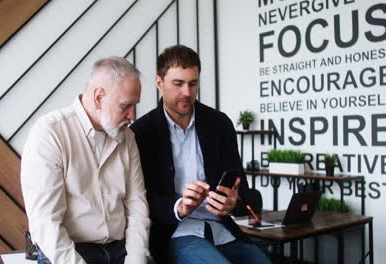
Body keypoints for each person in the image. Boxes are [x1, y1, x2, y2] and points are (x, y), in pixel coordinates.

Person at [130, 45, 270, 264]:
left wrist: (234, 202)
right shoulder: (141, 132)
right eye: (178, 84)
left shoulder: (220, 124)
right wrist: (179, 207)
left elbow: (239, 185)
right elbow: (138, 200)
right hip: (175, 232)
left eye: (193, 83)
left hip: (221, 227)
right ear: (159, 83)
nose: (187, 92)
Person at [21, 57, 150, 264]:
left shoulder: (127, 138)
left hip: (121, 250)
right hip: (70, 253)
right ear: (99, 97)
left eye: (135, 105)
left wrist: (136, 259)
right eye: (126, 106)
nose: (133, 115)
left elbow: (137, 208)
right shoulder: (50, 133)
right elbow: (46, 224)